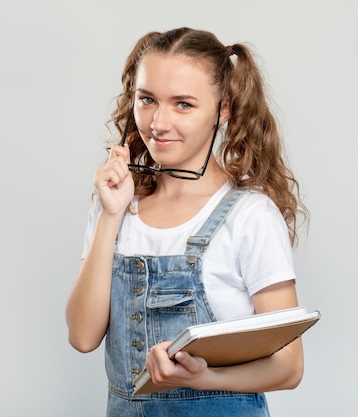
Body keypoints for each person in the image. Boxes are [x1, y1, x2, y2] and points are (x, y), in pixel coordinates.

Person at [66, 27, 309, 417]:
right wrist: (111, 215)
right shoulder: (117, 204)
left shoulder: (249, 217)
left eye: (183, 105)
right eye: (147, 100)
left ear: (223, 109)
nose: (158, 122)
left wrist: (201, 378)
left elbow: (289, 366)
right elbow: (82, 336)